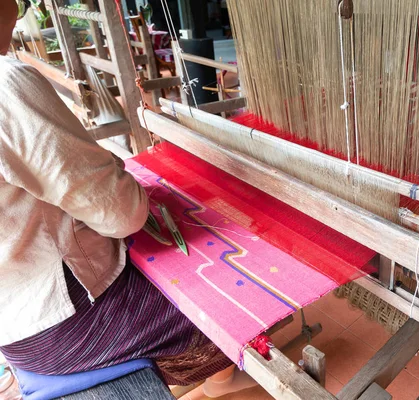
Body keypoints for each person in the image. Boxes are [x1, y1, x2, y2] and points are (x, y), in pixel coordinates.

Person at [0, 0, 256, 397]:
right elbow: (122, 215)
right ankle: (218, 378)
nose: (16, 10)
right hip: (63, 326)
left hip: (13, 327)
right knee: (246, 291)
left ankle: (218, 379)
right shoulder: (6, 84)